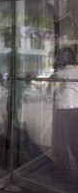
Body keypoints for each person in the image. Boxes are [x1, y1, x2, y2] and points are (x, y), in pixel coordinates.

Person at [50, 47, 78, 179]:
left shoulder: (59, 74)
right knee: (75, 141)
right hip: (76, 110)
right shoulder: (77, 73)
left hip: (63, 110)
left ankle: (64, 171)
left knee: (60, 142)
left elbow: (49, 93)